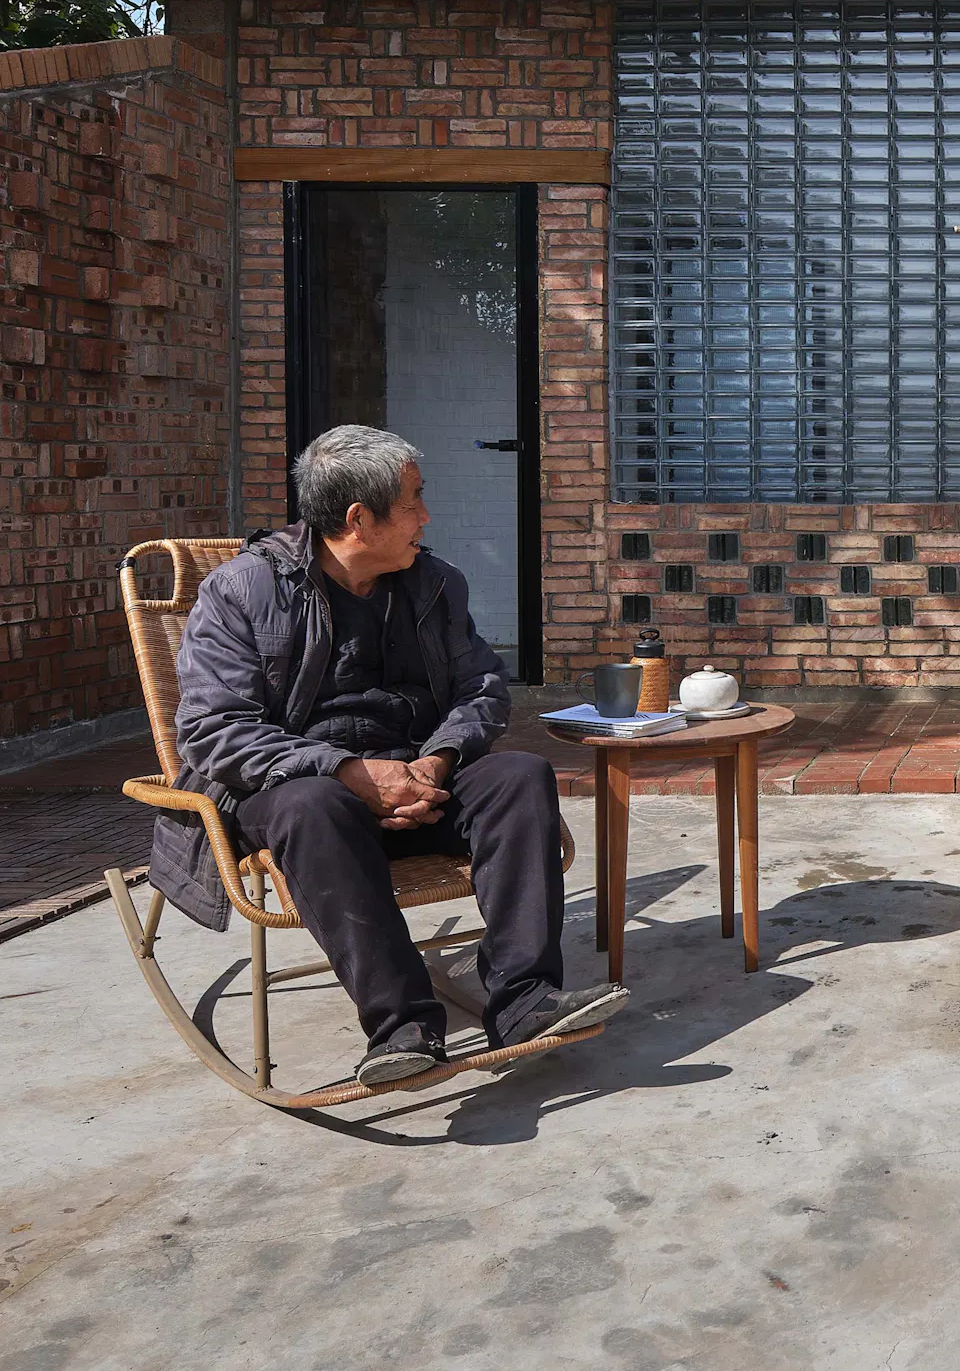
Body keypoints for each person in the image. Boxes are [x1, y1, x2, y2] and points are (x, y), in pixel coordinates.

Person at [147, 423, 623, 1083]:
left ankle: (524, 1001)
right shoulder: (241, 592)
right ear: (357, 519)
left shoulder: (434, 582)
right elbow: (211, 730)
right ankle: (403, 1026)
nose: (426, 517)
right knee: (314, 805)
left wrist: (436, 761)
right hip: (302, 795)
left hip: (418, 779)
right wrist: (347, 771)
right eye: (413, 501)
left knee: (519, 775)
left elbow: (482, 687)